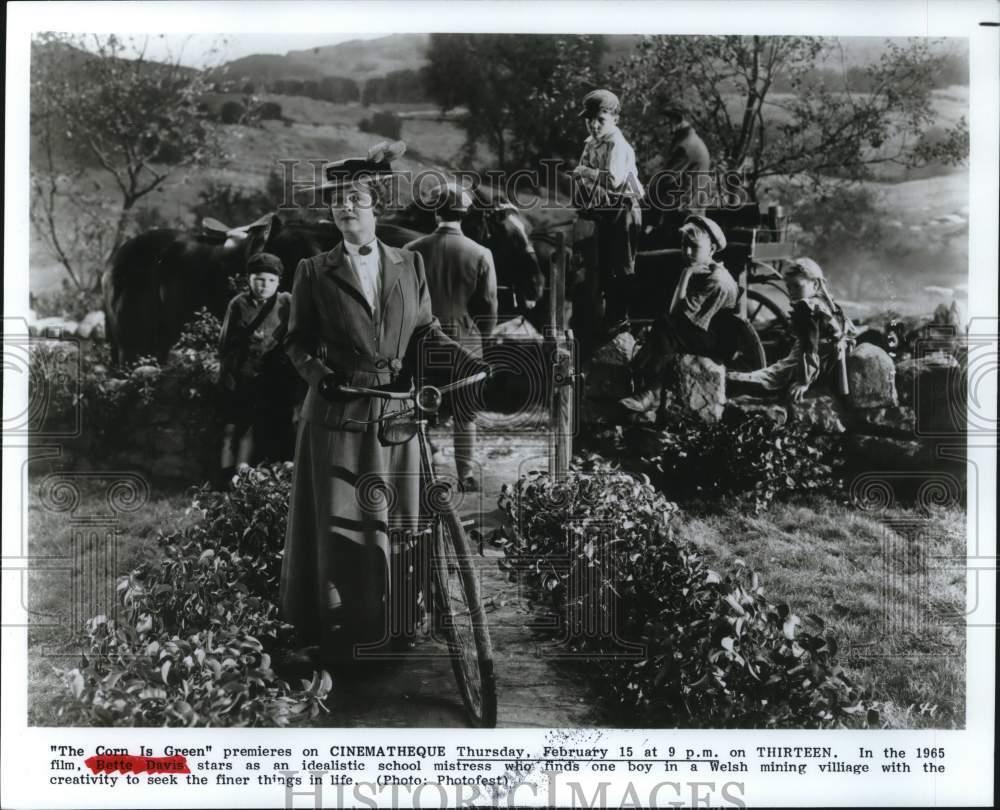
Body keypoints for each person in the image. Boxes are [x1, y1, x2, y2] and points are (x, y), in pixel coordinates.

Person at [279, 141, 490, 667]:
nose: (346, 208)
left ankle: (398, 627)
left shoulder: (410, 263)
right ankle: (337, 633)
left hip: (397, 417)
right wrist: (320, 377)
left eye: (356, 199)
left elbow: (425, 331)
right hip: (339, 415)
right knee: (337, 522)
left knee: (400, 524)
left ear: (376, 206)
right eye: (338, 202)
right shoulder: (312, 270)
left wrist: (471, 367)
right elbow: (296, 342)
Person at [404, 181, 498, 492]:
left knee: (417, 408)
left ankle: (422, 471)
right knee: (465, 413)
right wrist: (480, 342)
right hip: (465, 344)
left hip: (420, 343)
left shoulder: (411, 251)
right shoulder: (481, 253)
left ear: (435, 213)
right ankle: (465, 476)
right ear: (465, 214)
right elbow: (488, 305)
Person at [620, 214, 739, 413]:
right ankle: (645, 384)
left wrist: (686, 275)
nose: (688, 251)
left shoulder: (716, 279)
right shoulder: (706, 270)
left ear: (711, 249)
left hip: (718, 341)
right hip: (704, 327)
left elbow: (676, 313)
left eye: (694, 247)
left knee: (665, 327)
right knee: (663, 326)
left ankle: (651, 392)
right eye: (685, 245)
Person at [727, 258, 857, 402]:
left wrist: (804, 381)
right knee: (777, 368)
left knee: (772, 376)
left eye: (797, 286)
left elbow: (809, 347)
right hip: (831, 355)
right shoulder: (826, 303)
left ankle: (734, 379)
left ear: (815, 284)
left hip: (820, 357)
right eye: (789, 287)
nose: (792, 292)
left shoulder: (807, 308)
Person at [217, 252, 292, 487]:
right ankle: (227, 478)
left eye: (271, 280)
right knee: (234, 428)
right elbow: (226, 343)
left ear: (279, 282)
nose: (264, 285)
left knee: (267, 427)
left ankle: (262, 477)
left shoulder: (286, 302)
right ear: (249, 280)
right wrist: (228, 375)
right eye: (259, 279)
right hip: (243, 376)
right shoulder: (238, 304)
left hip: (274, 378)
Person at [571, 88, 644, 328]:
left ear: (615, 119)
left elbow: (612, 179)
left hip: (624, 208)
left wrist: (585, 173)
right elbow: (580, 173)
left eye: (600, 120)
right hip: (604, 208)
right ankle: (597, 312)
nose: (594, 125)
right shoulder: (592, 142)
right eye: (589, 120)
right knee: (598, 261)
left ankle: (620, 316)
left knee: (621, 264)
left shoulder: (617, 144)